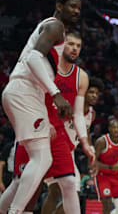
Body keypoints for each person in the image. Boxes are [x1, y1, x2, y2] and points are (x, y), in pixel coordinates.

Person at [0, 0, 81, 214]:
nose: (76, 11)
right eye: (72, 6)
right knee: (42, 157)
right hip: (24, 91)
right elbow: (33, 57)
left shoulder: (54, 30)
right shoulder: (55, 26)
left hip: (23, 93)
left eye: (79, 9)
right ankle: (16, 211)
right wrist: (56, 93)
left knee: (24, 174)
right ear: (59, 5)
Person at [43, 76, 104, 214]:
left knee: (73, 197)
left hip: (69, 153)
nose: (94, 96)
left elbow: (86, 133)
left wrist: (91, 152)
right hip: (55, 148)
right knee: (55, 191)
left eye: (96, 93)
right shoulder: (69, 105)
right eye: (91, 92)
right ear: (83, 92)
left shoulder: (91, 113)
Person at [94, 119, 118, 214]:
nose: (116, 130)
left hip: (116, 176)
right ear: (109, 129)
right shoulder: (102, 141)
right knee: (107, 204)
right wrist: (111, 167)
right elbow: (93, 162)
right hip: (102, 176)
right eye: (113, 127)